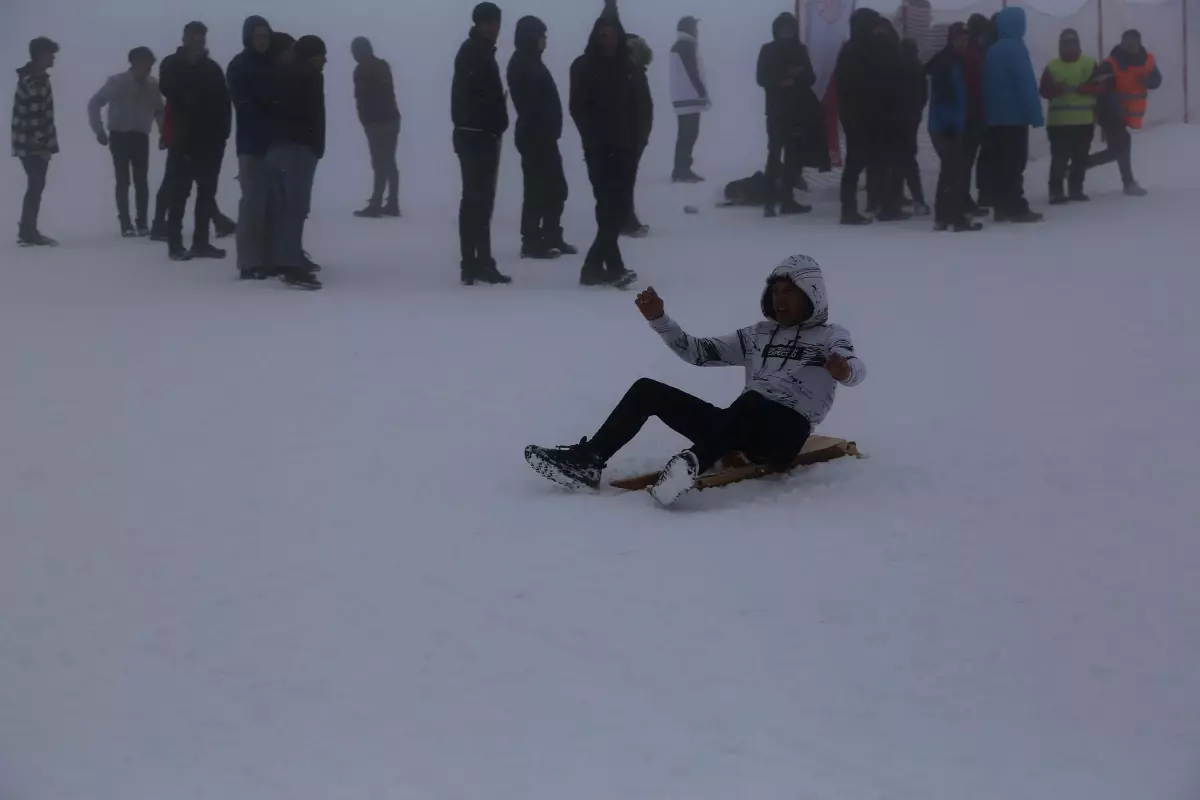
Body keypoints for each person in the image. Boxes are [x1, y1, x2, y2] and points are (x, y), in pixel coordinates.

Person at [523, 254, 866, 508]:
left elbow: (854, 367)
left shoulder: (830, 336)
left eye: (789, 291)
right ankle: (589, 461)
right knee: (647, 390)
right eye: (775, 291)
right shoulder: (758, 335)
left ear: (812, 294)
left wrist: (844, 370)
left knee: (752, 404)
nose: (780, 298)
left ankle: (691, 464)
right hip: (738, 426)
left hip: (782, 436)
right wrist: (660, 319)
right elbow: (698, 352)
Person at [570, 4, 651, 288]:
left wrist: (637, 139)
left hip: (626, 150)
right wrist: (593, 141)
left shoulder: (627, 68)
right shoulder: (583, 66)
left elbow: (640, 107)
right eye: (603, 35)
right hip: (599, 151)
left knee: (615, 209)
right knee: (609, 208)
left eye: (613, 35)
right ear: (595, 37)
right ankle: (611, 267)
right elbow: (578, 109)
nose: (609, 40)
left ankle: (594, 267)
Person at [159, 21, 233, 260]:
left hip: (210, 143)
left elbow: (224, 104)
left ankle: (201, 243)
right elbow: (169, 89)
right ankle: (175, 244)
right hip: (182, 140)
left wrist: (223, 136)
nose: (197, 40)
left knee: (207, 193)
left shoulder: (212, 68)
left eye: (200, 36)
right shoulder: (171, 64)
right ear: (184, 37)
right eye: (192, 36)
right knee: (179, 193)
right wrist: (189, 68)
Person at [452, 2, 510, 286]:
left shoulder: (481, 51)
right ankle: (476, 262)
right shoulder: (474, 52)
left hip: (477, 134)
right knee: (478, 200)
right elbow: (476, 97)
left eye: (496, 22)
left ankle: (475, 262)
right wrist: (494, 120)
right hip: (476, 136)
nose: (494, 27)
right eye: (488, 23)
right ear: (478, 24)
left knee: (476, 200)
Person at [507, 16, 575, 259]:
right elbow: (531, 102)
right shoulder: (522, 64)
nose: (545, 41)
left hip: (543, 136)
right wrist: (545, 125)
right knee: (537, 190)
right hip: (534, 136)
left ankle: (552, 235)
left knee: (556, 188)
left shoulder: (532, 62)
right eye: (541, 36)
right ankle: (532, 240)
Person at [265, 34, 327, 291]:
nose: (325, 60)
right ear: (313, 55)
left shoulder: (281, 73)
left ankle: (284, 258)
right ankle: (292, 265)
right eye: (323, 54)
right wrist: (317, 147)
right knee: (296, 208)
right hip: (299, 150)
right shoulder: (311, 76)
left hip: (275, 148)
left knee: (282, 207)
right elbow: (314, 115)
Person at [836, 9, 906, 224]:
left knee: (877, 162)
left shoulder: (864, 49)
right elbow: (856, 86)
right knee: (857, 164)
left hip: (871, 115)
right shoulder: (854, 51)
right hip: (860, 117)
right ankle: (850, 210)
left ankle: (884, 206)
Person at [88, 47, 163, 237]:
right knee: (123, 179)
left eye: (150, 64)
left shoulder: (153, 85)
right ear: (134, 63)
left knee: (141, 179)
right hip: (119, 135)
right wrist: (98, 129)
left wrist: (164, 133)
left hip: (140, 136)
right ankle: (125, 223)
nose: (148, 68)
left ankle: (142, 222)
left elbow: (160, 110)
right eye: (146, 63)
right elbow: (94, 103)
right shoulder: (117, 82)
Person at [982, 6, 1043, 223]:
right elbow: (1025, 83)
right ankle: (1016, 207)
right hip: (1014, 117)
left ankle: (1001, 206)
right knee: (1016, 163)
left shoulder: (992, 49)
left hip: (994, 118)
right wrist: (1036, 114)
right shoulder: (1015, 48)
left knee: (1001, 163)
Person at [227, 15, 276, 280]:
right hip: (251, 145)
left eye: (265, 36)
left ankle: (268, 257)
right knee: (253, 205)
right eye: (258, 36)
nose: (262, 41)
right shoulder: (239, 66)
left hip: (276, 146)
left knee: (272, 205)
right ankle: (248, 261)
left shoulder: (275, 63)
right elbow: (243, 105)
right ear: (248, 38)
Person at [756, 12, 819, 218]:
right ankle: (768, 201)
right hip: (776, 110)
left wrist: (798, 75)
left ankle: (787, 199)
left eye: (790, 29)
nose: (786, 33)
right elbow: (761, 77)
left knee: (794, 156)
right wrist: (781, 80)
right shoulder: (768, 50)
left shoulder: (800, 50)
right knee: (774, 155)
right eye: (783, 29)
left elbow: (811, 77)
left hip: (797, 111)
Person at [1088, 29, 1160, 197]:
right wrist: (1108, 96)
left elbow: (1157, 80)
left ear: (1139, 44)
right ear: (1121, 43)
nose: (1129, 48)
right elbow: (1097, 85)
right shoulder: (1111, 63)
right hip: (1110, 113)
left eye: (1132, 44)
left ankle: (1078, 167)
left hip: (1126, 114)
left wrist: (1148, 81)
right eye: (1126, 44)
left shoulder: (1147, 60)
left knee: (1117, 150)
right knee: (1121, 147)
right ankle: (1128, 183)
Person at [926, 23, 982, 232]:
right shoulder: (946, 62)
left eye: (966, 39)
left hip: (950, 125)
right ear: (951, 39)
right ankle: (956, 217)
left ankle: (943, 216)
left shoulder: (954, 60)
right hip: (945, 127)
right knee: (956, 170)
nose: (963, 42)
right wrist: (950, 125)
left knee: (950, 171)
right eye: (960, 38)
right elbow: (944, 98)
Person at [1040, 29, 1103, 204]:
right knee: (1059, 159)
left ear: (1078, 44)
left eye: (1072, 44)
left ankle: (1076, 189)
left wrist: (1086, 88)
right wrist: (1055, 90)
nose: (1069, 48)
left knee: (1080, 159)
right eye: (1066, 44)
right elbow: (1044, 91)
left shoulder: (1089, 63)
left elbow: (1101, 85)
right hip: (1059, 124)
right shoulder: (1053, 66)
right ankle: (1056, 192)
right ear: (1060, 46)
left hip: (1084, 122)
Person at [12, 36, 60, 247]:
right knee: (36, 185)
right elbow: (33, 118)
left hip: (29, 142)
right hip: (30, 144)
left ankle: (28, 229)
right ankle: (28, 231)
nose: (53, 58)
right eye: (50, 54)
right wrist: (41, 146)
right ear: (41, 55)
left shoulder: (39, 78)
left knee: (36, 185)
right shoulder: (33, 81)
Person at [351, 36, 401, 218]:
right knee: (388, 161)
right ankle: (392, 203)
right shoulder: (382, 66)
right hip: (391, 119)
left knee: (380, 162)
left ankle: (376, 203)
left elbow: (362, 99)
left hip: (377, 122)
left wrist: (366, 121)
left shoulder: (361, 70)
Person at [621, 28, 654, 238]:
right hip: (629, 135)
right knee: (624, 179)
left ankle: (627, 218)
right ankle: (626, 220)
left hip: (637, 134)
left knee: (627, 179)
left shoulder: (636, 71)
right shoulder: (629, 73)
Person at [669, 15, 709, 183]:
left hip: (683, 97)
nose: (697, 31)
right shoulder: (686, 46)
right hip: (689, 98)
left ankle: (681, 169)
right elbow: (692, 72)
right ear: (689, 29)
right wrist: (702, 92)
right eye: (695, 28)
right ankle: (682, 170)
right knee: (688, 135)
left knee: (685, 134)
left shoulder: (680, 45)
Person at [962, 13, 991, 215]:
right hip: (972, 115)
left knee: (965, 160)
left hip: (969, 114)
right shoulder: (973, 54)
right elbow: (976, 87)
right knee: (965, 161)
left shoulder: (971, 51)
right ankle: (962, 200)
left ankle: (963, 199)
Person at [898, 38, 929, 216]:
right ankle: (918, 199)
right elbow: (924, 96)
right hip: (911, 119)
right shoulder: (918, 69)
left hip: (895, 120)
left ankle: (894, 197)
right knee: (909, 160)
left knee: (896, 161)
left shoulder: (895, 68)